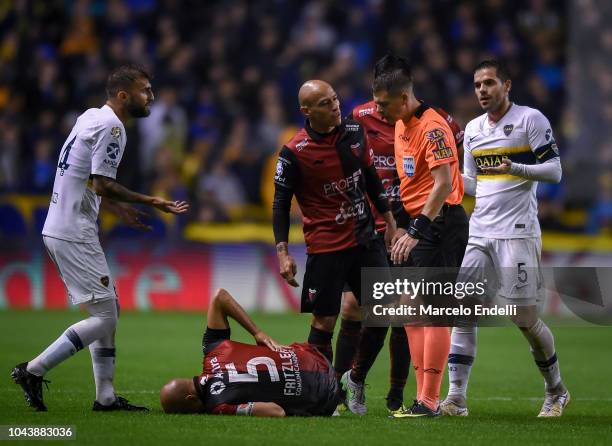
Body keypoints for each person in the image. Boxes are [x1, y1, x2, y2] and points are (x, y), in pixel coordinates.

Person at [11, 64, 189, 412]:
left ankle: (105, 397)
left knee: (109, 309)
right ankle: (33, 369)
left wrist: (117, 210)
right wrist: (151, 200)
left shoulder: (91, 116)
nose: (151, 96)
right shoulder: (114, 127)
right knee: (106, 317)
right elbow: (104, 183)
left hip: (62, 226)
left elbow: (89, 179)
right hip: (73, 232)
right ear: (124, 96)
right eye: (145, 91)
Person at [441, 60, 569, 418]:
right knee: (461, 311)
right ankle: (456, 398)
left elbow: (555, 170)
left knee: (524, 318)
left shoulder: (531, 120)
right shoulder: (473, 130)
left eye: (489, 83)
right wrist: (444, 175)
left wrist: (516, 167)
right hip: (480, 231)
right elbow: (472, 184)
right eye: (477, 84)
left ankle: (556, 390)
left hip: (517, 234)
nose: (482, 90)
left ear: (506, 85)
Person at [335, 99, 464, 414]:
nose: (382, 108)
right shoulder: (359, 118)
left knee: (406, 310)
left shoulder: (435, 121)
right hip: (372, 224)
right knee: (357, 307)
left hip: (410, 223)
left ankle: (398, 396)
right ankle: (344, 384)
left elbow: (454, 157)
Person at [369, 54, 469, 418]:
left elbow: (442, 185)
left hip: (440, 224)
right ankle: (421, 397)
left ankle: (428, 401)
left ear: (403, 96)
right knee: (409, 310)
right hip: (415, 222)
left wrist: (416, 230)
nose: (378, 109)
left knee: (435, 311)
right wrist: (397, 224)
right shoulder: (400, 124)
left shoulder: (433, 127)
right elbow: (410, 181)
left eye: (383, 103)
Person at [272, 80, 396, 372]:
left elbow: (370, 177)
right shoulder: (293, 152)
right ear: (307, 110)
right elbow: (280, 205)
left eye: (335, 99)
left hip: (366, 239)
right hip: (326, 246)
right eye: (325, 103)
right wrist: (282, 252)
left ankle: (354, 379)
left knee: (385, 312)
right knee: (324, 321)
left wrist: (389, 220)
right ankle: (322, 388)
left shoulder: (354, 132)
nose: (336, 106)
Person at [160, 288, 340, 417]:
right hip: (316, 354)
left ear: (191, 399)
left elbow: (276, 411)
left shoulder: (219, 406)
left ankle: (347, 382)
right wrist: (257, 333)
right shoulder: (213, 349)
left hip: (325, 398)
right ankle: (355, 377)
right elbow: (219, 296)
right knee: (349, 310)